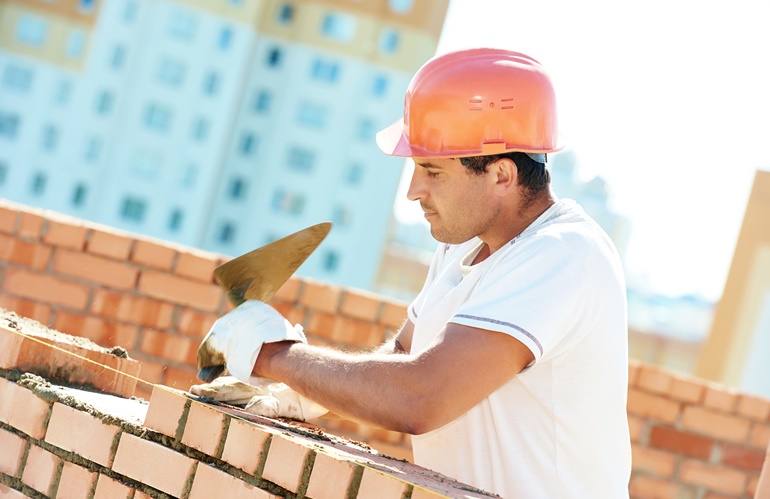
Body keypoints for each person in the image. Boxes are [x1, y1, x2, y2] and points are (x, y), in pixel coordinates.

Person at [193, 48, 632, 498]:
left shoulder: (563, 255)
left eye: (432, 171)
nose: (413, 191)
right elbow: (403, 355)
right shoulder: (463, 246)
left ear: (501, 174)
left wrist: (273, 354)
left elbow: (421, 396)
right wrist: (305, 393)